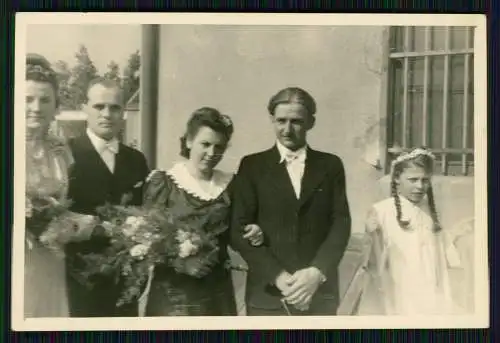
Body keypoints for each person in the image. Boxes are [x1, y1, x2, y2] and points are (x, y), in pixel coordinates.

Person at [230, 87, 352, 316]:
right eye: (281, 121)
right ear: (271, 120)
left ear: (310, 123)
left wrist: (316, 272)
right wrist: (278, 277)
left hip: (318, 293)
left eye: (296, 121)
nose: (287, 130)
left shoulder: (330, 165)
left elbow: (340, 223)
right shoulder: (252, 166)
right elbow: (239, 230)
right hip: (268, 294)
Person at [142, 107, 263, 316]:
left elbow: (237, 232)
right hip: (173, 295)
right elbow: (146, 240)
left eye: (219, 147)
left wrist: (254, 230)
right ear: (189, 141)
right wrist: (182, 263)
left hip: (217, 292)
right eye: (205, 144)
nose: (212, 153)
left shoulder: (231, 184)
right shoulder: (164, 183)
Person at [64, 77, 150, 317]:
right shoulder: (66, 154)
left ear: (123, 112)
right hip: (79, 279)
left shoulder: (136, 159)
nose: (107, 114)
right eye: (99, 106)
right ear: (85, 109)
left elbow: (146, 212)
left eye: (114, 107)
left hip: (125, 281)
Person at [24, 53, 96, 318]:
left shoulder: (59, 152)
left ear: (56, 106)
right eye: (27, 99)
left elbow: (59, 208)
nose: (36, 107)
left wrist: (81, 223)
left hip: (52, 258)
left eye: (45, 100)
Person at [358, 147, 461, 315]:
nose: (420, 186)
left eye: (424, 180)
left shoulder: (432, 211)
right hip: (399, 287)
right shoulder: (382, 211)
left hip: (430, 285)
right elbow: (372, 261)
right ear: (397, 178)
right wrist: (372, 233)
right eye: (413, 180)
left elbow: (444, 253)